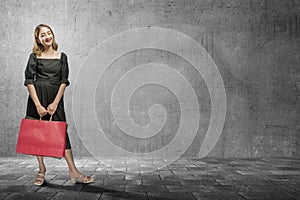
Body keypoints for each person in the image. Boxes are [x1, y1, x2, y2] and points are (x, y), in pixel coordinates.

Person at [24, 24, 94, 186]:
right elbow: (29, 80)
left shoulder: (62, 56)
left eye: (49, 33)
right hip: (37, 98)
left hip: (55, 99)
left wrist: (55, 103)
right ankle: (41, 170)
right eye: (43, 35)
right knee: (37, 134)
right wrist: (38, 105)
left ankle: (73, 172)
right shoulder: (34, 56)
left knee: (62, 134)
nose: (47, 36)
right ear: (38, 39)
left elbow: (64, 81)